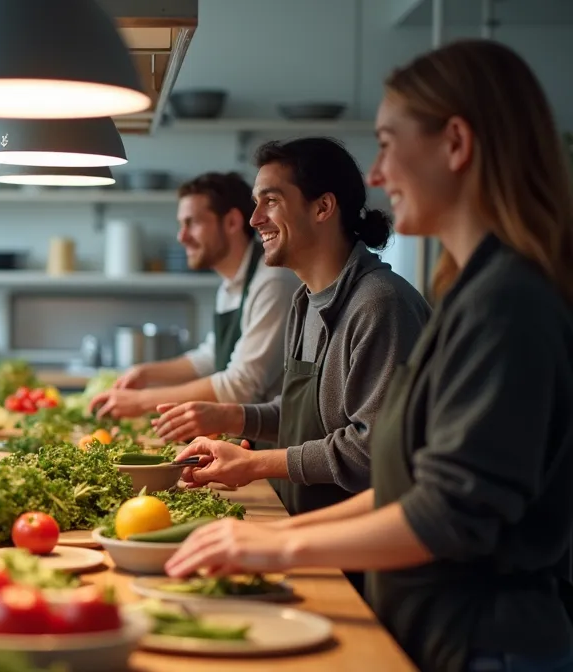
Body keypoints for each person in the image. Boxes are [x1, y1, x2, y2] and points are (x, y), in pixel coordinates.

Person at [165, 39, 573, 672]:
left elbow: (444, 514)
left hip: (483, 642)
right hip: (438, 628)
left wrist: (274, 547)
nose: (376, 175)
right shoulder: (473, 292)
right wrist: (270, 533)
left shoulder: (503, 304)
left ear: (456, 143)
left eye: (386, 143)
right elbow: (404, 480)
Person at [155, 137, 431, 523]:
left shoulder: (380, 304)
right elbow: (308, 414)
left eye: (271, 200)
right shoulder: (306, 301)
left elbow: (372, 448)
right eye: (256, 203)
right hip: (304, 520)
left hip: (351, 538)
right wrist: (231, 416)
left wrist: (255, 463)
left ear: (323, 207)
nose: (255, 219)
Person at [88, 172, 301, 418]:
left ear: (232, 222)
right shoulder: (231, 283)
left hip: (273, 436)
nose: (182, 237)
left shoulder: (272, 282)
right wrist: (145, 373)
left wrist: (142, 401)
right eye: (182, 224)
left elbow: (240, 386)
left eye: (192, 223)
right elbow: (211, 356)